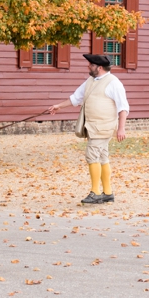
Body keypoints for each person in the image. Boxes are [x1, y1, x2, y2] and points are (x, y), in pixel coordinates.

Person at [48, 54, 129, 204]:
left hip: (103, 127)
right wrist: (58, 106)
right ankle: (108, 193)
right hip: (92, 126)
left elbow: (123, 107)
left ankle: (96, 193)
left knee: (92, 156)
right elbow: (76, 98)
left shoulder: (114, 83)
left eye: (90, 65)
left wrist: (121, 128)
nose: (88, 67)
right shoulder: (91, 81)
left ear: (99, 68)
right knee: (102, 158)